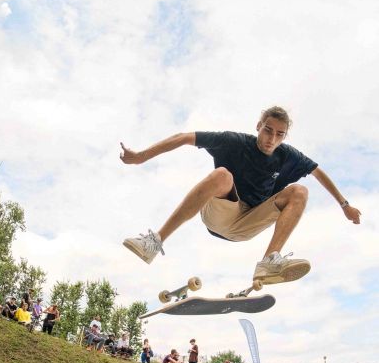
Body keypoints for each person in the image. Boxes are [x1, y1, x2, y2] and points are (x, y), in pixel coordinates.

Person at [120, 107, 361, 284]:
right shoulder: (233, 141)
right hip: (222, 213)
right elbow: (184, 138)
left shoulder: (288, 155)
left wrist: (344, 205)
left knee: (299, 191)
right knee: (222, 175)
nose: (271, 139)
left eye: (279, 134)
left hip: (249, 223)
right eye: (268, 130)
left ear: (284, 136)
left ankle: (268, 262)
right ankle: (155, 241)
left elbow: (318, 172)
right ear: (259, 126)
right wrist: (141, 156)